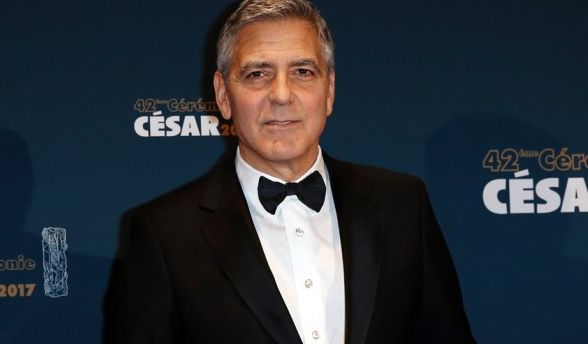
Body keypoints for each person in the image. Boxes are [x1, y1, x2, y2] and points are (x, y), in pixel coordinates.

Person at [108, 0, 476, 343]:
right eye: (257, 74)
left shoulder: (403, 203)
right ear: (222, 96)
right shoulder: (164, 234)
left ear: (329, 89)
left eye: (302, 71)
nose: (281, 95)